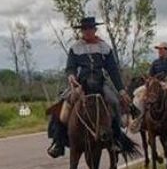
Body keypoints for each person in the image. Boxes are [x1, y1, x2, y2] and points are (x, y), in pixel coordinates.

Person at [47, 16, 131, 158]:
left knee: (114, 102)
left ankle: (116, 139)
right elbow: (70, 67)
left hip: (100, 83)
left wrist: (121, 90)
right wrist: (71, 76)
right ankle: (59, 142)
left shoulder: (105, 48)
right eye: (84, 29)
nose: (87, 31)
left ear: (95, 29)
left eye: (89, 29)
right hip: (82, 84)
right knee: (63, 105)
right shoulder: (75, 48)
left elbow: (113, 71)